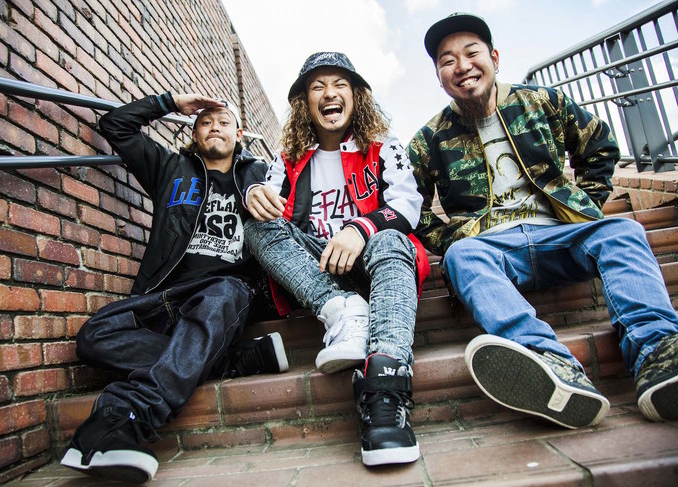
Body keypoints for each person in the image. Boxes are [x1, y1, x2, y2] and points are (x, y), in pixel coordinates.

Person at [408, 13, 678, 430]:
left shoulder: (542, 102)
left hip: (561, 235)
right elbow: (411, 205)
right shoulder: (429, 139)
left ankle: (658, 353)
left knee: (623, 230)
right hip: (494, 249)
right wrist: (452, 236)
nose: (462, 66)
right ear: (439, 77)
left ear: (495, 58)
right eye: (447, 61)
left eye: (472, 53)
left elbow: (600, 145)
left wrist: (584, 205)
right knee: (461, 256)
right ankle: (548, 362)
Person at [60, 93, 289, 484]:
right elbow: (115, 125)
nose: (214, 127)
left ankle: (128, 415)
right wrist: (170, 103)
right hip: (165, 295)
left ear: (239, 135)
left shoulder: (261, 173)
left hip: (227, 290)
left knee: (222, 295)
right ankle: (230, 361)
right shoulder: (170, 169)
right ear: (194, 134)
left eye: (224, 121)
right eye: (205, 122)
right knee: (94, 336)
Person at [244, 52, 430, 466]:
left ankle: (386, 387)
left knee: (391, 240)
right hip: (318, 273)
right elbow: (270, 205)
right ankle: (343, 311)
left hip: (375, 265)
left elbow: (408, 205)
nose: (329, 93)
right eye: (318, 86)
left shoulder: (383, 146)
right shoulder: (288, 157)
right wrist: (254, 194)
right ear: (305, 103)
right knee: (254, 225)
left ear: (356, 95)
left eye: (339, 84)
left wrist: (360, 228)